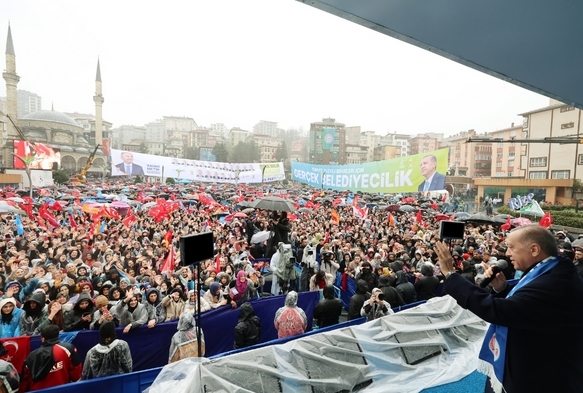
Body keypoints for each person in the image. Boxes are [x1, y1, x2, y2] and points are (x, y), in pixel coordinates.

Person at [435, 225, 583, 393]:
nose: (507, 253)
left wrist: (450, 275)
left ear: (534, 249)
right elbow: (525, 309)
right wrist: (502, 289)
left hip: (541, 376)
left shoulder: (555, 282)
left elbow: (499, 311)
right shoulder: (552, 269)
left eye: (512, 247)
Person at [20, 324, 82, 391]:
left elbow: (24, 382)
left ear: (43, 338)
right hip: (62, 390)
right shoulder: (67, 349)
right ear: (58, 335)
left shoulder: (30, 356)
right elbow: (76, 372)